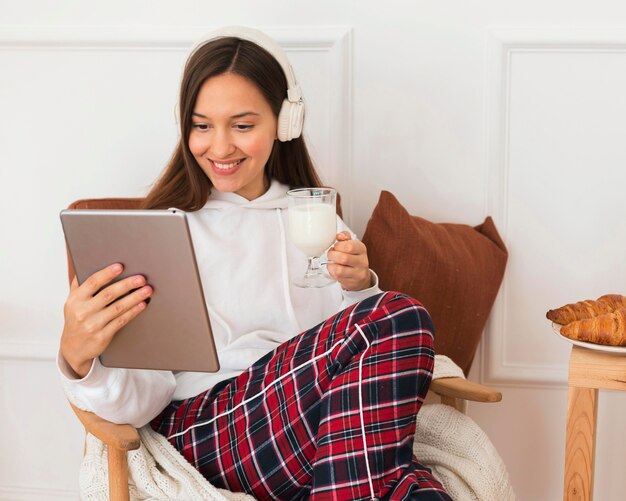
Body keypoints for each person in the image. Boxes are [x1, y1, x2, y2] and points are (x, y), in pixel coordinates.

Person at [58, 26, 451, 501]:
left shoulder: (313, 215)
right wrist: (81, 362)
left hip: (305, 426)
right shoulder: (163, 234)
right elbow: (143, 400)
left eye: (242, 126)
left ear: (284, 124)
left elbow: (352, 362)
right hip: (207, 427)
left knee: (419, 494)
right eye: (202, 126)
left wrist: (358, 288)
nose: (220, 148)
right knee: (403, 314)